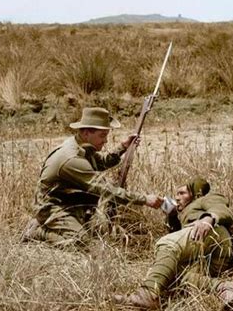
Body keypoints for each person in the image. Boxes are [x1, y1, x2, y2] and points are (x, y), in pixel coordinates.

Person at [23, 107, 163, 249]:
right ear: (86, 132)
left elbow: (101, 163)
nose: (106, 141)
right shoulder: (71, 158)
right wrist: (145, 199)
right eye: (102, 136)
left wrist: (123, 147)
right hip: (51, 207)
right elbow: (106, 190)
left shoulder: (81, 145)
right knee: (83, 243)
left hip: (68, 201)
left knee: (93, 231)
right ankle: (37, 231)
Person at [113, 177, 233, 310]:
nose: (177, 197)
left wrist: (207, 219)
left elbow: (220, 207)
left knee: (166, 243)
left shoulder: (205, 198)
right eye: (176, 194)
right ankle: (225, 288)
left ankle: (147, 295)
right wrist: (171, 215)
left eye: (182, 193)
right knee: (169, 274)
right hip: (205, 256)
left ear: (195, 194)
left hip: (213, 235)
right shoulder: (182, 214)